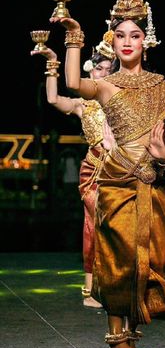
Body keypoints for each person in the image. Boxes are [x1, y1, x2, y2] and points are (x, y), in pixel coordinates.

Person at [51, 0, 165, 348]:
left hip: (157, 185)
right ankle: (118, 341)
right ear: (112, 40)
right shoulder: (106, 85)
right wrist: (75, 36)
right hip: (117, 182)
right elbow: (72, 80)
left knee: (154, 260)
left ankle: (130, 333)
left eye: (134, 34)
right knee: (118, 259)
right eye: (121, 35)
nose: (128, 41)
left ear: (146, 40)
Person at [30, 36, 115, 309]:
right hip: (94, 168)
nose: (101, 73)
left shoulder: (119, 101)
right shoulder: (83, 105)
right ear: (90, 70)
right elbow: (53, 98)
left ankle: (120, 284)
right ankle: (91, 289)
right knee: (94, 225)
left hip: (120, 167)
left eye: (107, 69)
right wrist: (53, 64)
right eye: (98, 68)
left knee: (120, 227)